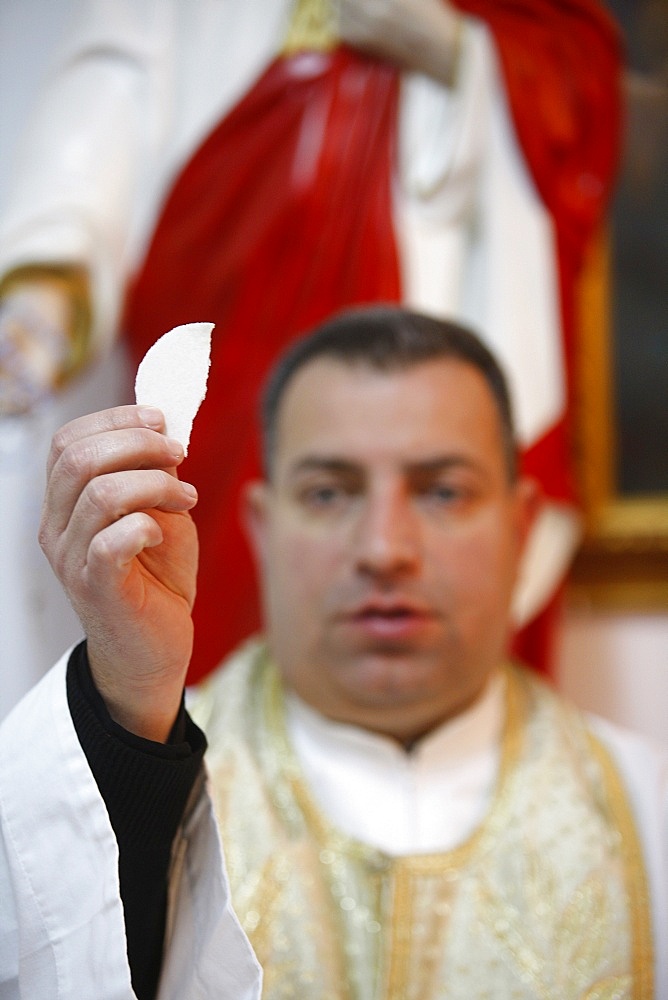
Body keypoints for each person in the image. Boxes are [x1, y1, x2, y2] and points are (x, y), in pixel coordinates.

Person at [0, 306, 665, 998]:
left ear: (521, 528)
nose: (383, 549)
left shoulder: (648, 815)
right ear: (262, 527)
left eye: (443, 491)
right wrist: (129, 706)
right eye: (328, 492)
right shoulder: (126, 785)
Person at [0, 0, 623, 694]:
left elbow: (577, 70)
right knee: (211, 553)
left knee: (429, 475)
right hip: (234, 229)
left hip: (433, 221)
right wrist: (51, 270)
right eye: (329, 493)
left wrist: (462, 51)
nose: (383, 550)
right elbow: (119, 70)